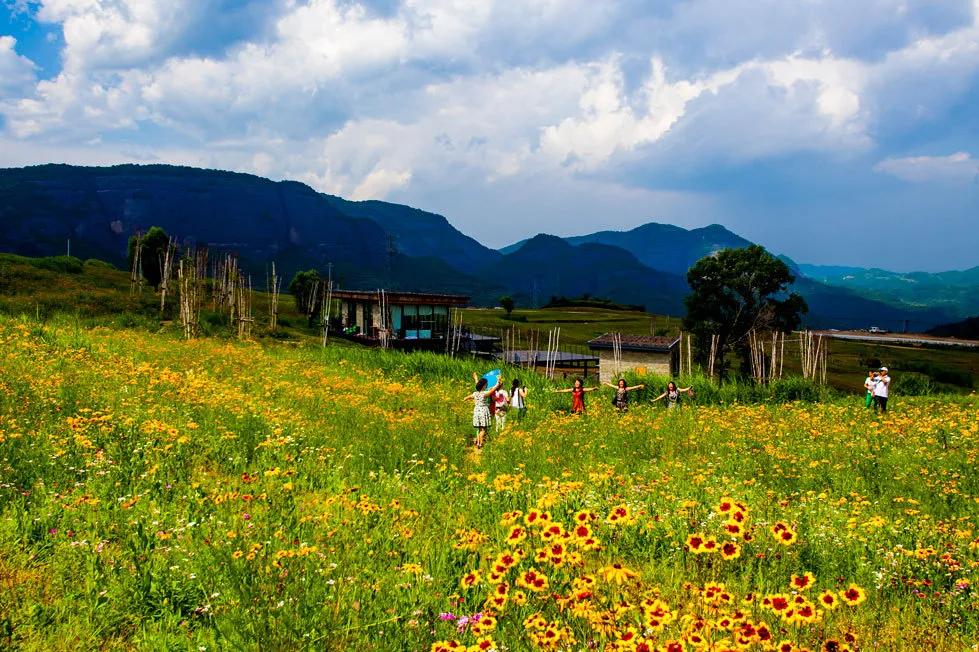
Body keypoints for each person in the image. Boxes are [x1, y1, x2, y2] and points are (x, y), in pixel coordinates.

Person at [464, 375, 503, 448]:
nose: (487, 385)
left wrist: (465, 398)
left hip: (476, 412)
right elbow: (494, 389)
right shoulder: (484, 394)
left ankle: (478, 442)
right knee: (483, 430)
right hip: (483, 412)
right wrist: (498, 381)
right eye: (486, 384)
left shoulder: (475, 393)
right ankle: (480, 443)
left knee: (479, 429)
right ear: (484, 386)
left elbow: (468, 397)